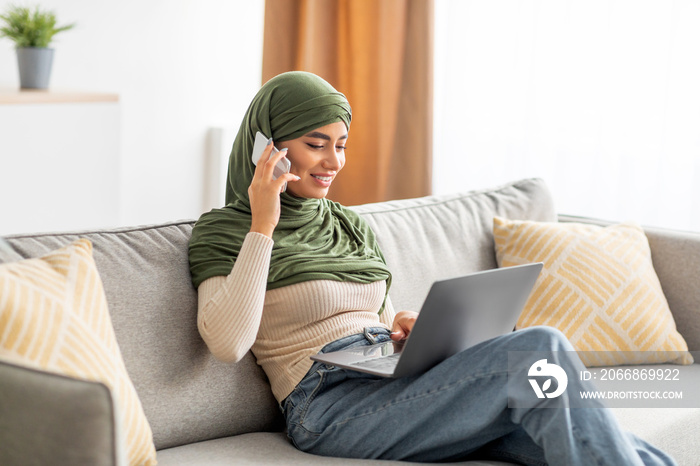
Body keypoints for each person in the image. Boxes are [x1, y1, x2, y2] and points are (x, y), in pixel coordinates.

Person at [188, 71, 676, 465]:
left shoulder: (348, 224)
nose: (334, 161)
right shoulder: (226, 232)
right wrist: (263, 224)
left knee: (594, 438)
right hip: (327, 406)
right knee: (540, 348)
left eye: (341, 144)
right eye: (317, 144)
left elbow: (376, 317)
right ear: (267, 147)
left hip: (390, 378)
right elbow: (228, 343)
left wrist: (398, 326)